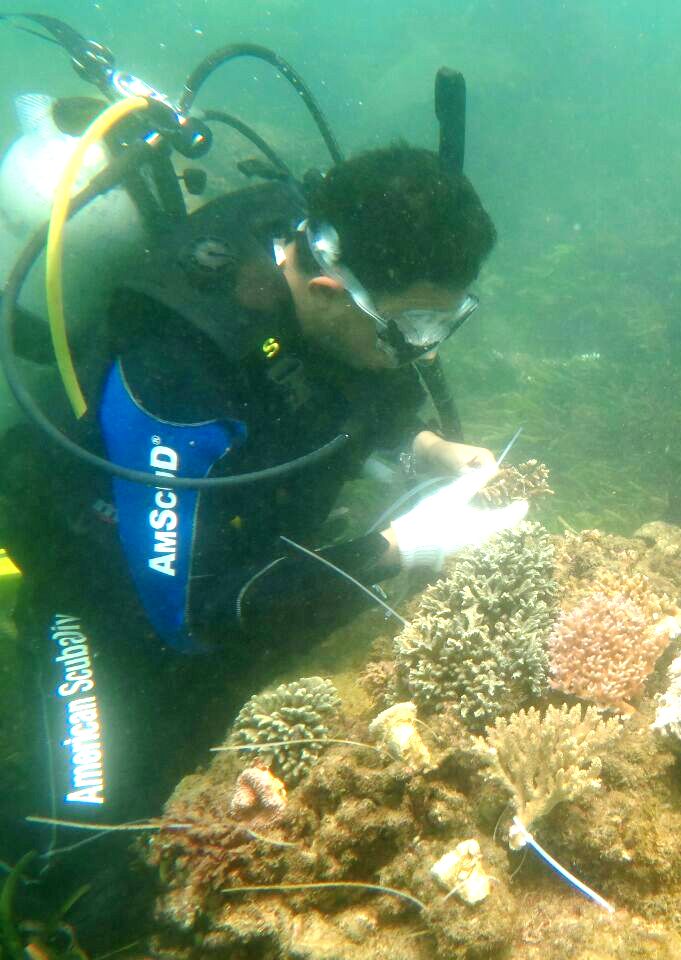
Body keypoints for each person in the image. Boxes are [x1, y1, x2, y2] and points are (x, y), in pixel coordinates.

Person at [0, 140, 524, 944]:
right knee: (90, 876)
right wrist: (395, 548)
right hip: (106, 594)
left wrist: (425, 449)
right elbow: (186, 616)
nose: (427, 346)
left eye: (447, 319)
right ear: (326, 287)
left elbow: (356, 393)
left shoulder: (324, 266)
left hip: (245, 543)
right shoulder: (178, 365)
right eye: (415, 323)